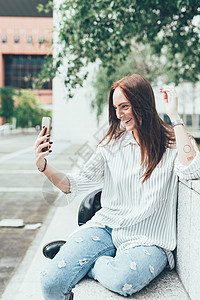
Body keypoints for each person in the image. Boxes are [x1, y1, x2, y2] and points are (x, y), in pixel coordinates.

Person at [34, 74, 200, 300]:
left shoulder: (172, 143)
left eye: (125, 106)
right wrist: (43, 165)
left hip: (148, 238)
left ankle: (90, 262)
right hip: (106, 228)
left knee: (124, 280)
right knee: (50, 283)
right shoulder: (112, 144)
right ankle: (82, 255)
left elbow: (192, 169)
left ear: (143, 104)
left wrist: (174, 116)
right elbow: (71, 184)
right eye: (115, 108)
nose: (119, 115)